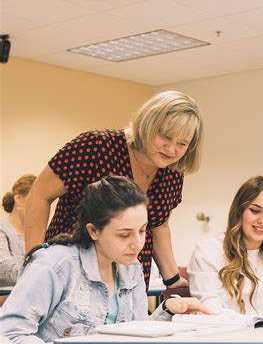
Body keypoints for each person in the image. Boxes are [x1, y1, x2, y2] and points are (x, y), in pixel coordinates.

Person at [0, 176, 213, 344]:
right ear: (93, 231)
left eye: (142, 231)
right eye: (124, 234)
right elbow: (9, 336)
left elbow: (135, 337)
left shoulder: (131, 267)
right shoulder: (54, 265)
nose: (138, 244)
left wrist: (167, 311)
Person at [24, 90, 203, 290]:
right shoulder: (96, 147)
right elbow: (39, 195)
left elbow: (158, 226)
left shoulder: (172, 172)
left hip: (129, 278)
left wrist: (172, 280)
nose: (171, 149)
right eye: (166, 137)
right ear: (147, 124)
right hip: (73, 268)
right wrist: (34, 260)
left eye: (182, 143)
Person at [188, 176, 263, 316]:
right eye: (255, 211)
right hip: (227, 337)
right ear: (239, 211)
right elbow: (209, 312)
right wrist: (262, 318)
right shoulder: (207, 252)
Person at [1, 174, 36, 287]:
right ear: (18, 199)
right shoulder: (2, 229)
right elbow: (3, 269)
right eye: (37, 200)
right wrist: (39, 272)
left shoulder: (40, 233)